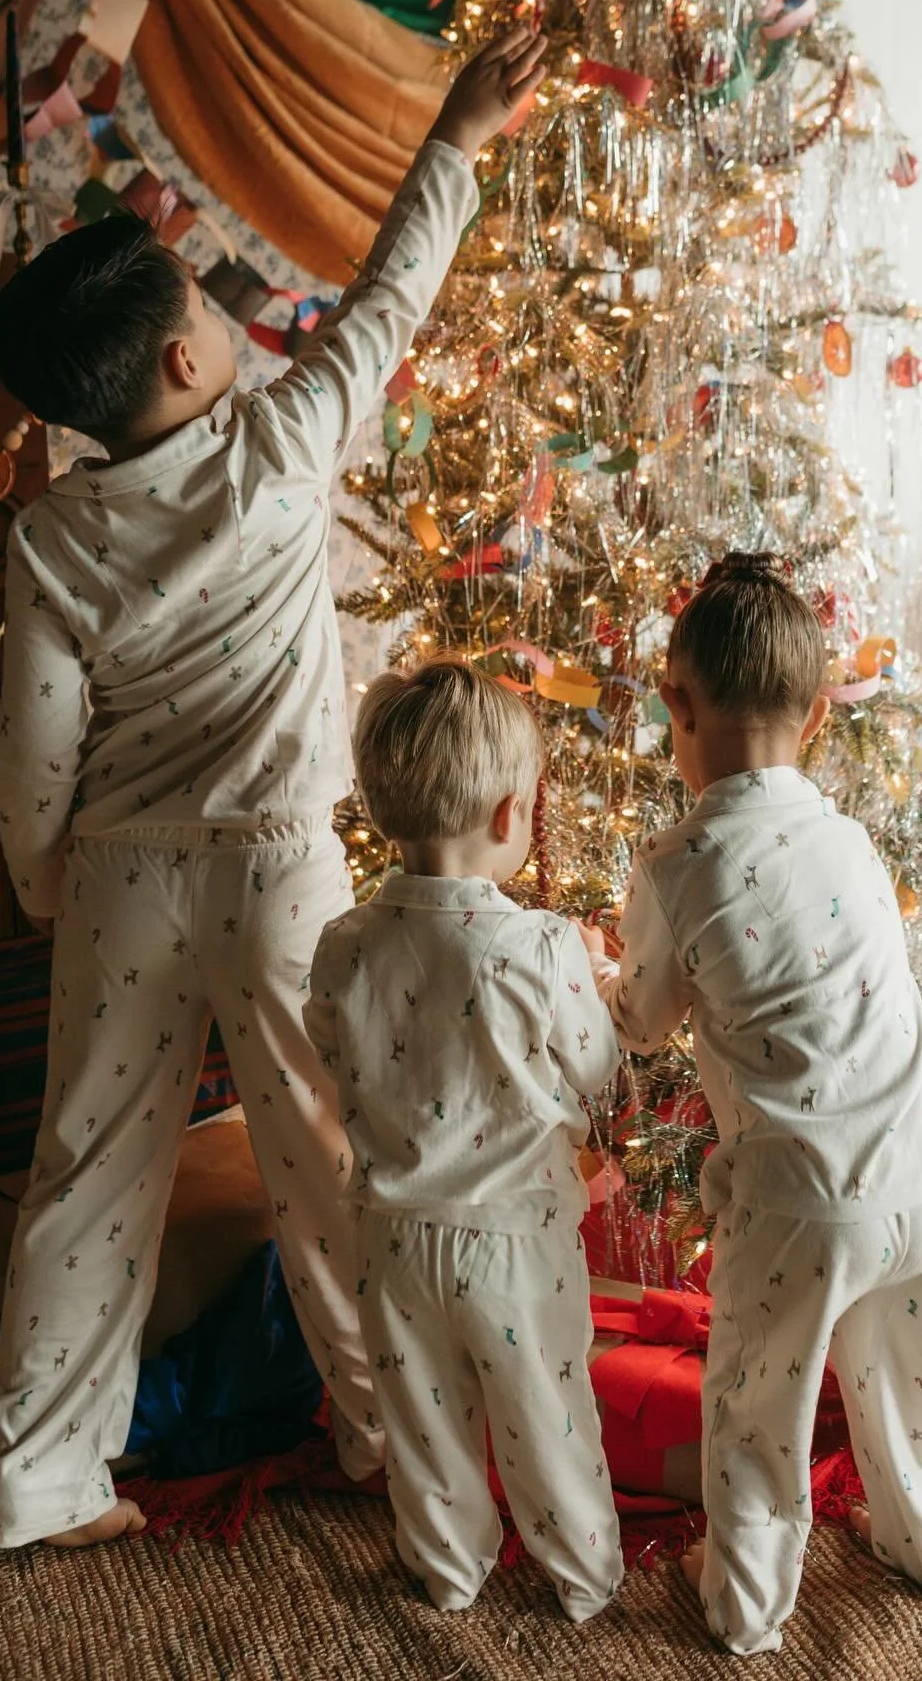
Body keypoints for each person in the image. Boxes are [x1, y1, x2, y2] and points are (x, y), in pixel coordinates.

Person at [0, 26, 548, 1551]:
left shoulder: (51, 535)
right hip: (282, 862)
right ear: (186, 358)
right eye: (208, 311)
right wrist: (458, 142)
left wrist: (48, 881)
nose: (230, 320)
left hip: (118, 872)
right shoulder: (283, 446)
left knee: (88, 1168)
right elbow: (388, 308)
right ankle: (381, 1435)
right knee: (325, 1155)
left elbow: (31, 746)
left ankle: (41, 1480)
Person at [579, 552, 922, 1655]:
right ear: (815, 717)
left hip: (804, 1199)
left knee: (756, 1402)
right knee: (910, 1387)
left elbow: (642, 1020)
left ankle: (748, 1606)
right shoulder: (853, 841)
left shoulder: (679, 864)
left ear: (676, 703)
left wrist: (595, 970)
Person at [302, 660, 625, 1621]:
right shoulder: (540, 946)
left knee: (426, 1419)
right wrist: (598, 979)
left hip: (395, 1236)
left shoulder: (343, 943)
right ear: (505, 815)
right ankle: (583, 1573)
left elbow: (331, 1045)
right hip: (516, 1240)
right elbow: (597, 1066)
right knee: (546, 1407)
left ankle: (446, 1568)